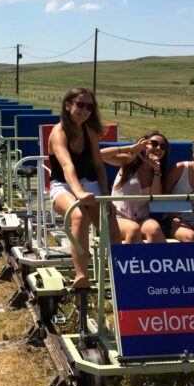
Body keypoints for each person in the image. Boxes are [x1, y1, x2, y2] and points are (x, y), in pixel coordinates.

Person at [48, 88, 121, 289]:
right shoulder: (59, 132)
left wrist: (106, 195)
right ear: (68, 105)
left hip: (90, 184)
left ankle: (119, 271)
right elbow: (67, 165)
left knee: (109, 221)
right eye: (81, 105)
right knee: (78, 216)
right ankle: (82, 275)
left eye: (90, 106)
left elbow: (98, 165)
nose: (85, 110)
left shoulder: (90, 132)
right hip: (63, 184)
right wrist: (78, 192)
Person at [101, 131, 169, 243]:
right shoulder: (128, 162)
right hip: (117, 217)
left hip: (142, 218)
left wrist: (156, 170)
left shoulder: (158, 172)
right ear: (144, 144)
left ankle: (154, 260)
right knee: (133, 230)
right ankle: (123, 260)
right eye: (154, 143)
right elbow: (100, 155)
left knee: (155, 229)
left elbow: (155, 197)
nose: (158, 148)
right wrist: (131, 148)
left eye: (163, 146)